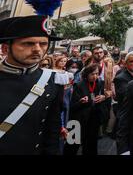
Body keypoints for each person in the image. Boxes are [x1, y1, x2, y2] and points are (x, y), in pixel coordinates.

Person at [0, 15, 69, 155]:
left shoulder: (53, 80)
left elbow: (52, 131)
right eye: (28, 43)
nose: (38, 49)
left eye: (43, 44)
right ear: (5, 49)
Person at [66, 63, 108, 155]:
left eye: (97, 73)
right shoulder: (79, 85)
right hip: (77, 119)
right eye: (92, 74)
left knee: (91, 144)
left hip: (93, 118)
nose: (95, 76)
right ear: (87, 74)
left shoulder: (99, 83)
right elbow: (72, 106)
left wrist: (103, 97)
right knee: (72, 144)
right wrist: (80, 101)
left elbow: (105, 95)